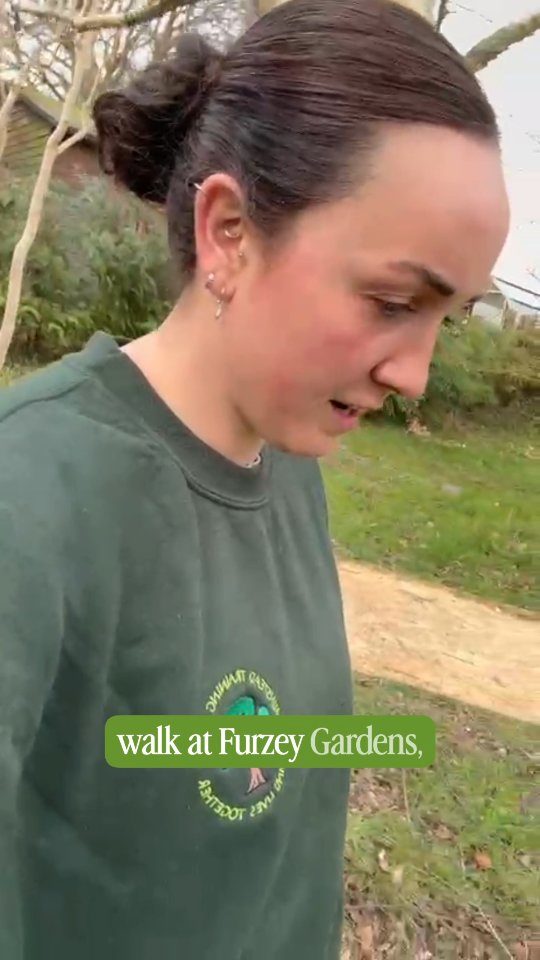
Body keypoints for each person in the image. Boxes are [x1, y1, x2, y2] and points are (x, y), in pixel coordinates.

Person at [0, 0, 509, 957]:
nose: (416, 374)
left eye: (445, 318)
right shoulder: (29, 493)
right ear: (229, 231)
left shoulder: (288, 464)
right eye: (392, 302)